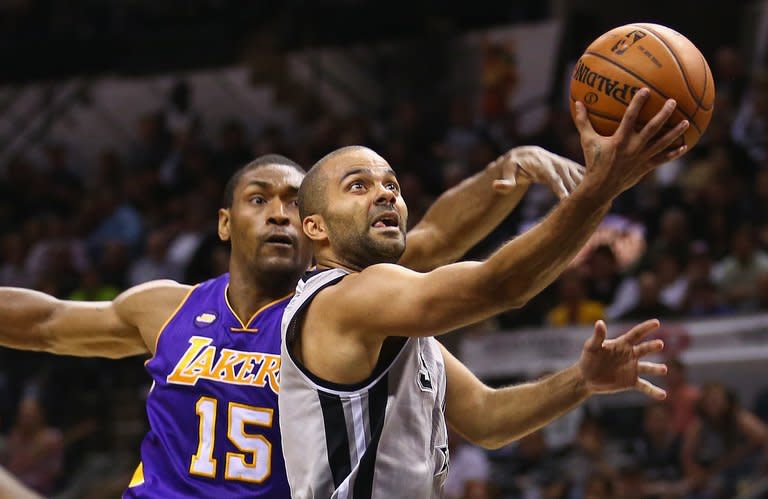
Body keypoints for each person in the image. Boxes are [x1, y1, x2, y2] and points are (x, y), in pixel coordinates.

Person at [0, 147, 583, 497]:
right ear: (225, 223)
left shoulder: (344, 311)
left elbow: (430, 241)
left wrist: (503, 173)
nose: (279, 212)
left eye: (293, 201)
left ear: (316, 224)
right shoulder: (167, 308)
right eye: (260, 199)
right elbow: (48, 322)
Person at [278, 88, 689, 498]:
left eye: (392, 184)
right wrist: (602, 187)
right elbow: (500, 286)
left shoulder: (388, 321)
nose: (386, 193)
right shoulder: (341, 300)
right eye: (358, 186)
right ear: (315, 228)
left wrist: (582, 380)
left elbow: (487, 418)